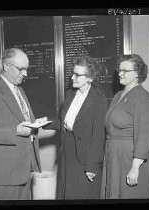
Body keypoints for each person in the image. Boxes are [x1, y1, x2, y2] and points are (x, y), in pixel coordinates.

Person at [0, 48, 53, 200]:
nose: (25, 74)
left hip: (23, 172)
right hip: (4, 177)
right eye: (21, 69)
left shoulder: (18, 90)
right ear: (6, 66)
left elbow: (17, 118)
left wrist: (34, 124)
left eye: (26, 69)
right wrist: (15, 131)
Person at [46, 55, 108, 199]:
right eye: (72, 73)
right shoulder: (70, 94)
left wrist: (92, 165)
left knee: (81, 193)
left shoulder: (99, 100)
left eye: (77, 75)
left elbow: (99, 136)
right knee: (66, 192)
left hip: (85, 156)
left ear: (90, 79)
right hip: (67, 151)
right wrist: (45, 123)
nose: (72, 77)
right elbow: (64, 122)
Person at [100, 54, 149, 199]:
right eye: (120, 70)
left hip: (129, 157)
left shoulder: (144, 98)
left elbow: (145, 136)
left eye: (125, 71)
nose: (120, 73)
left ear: (137, 74)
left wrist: (135, 167)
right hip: (114, 153)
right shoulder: (118, 94)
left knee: (129, 194)